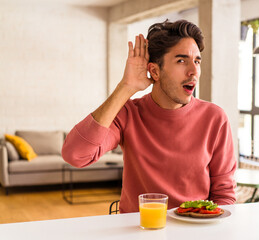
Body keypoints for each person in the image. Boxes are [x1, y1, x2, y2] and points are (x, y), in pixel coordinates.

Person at [62, 19, 237, 213]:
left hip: (194, 230)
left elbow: (224, 195)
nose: (193, 71)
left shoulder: (214, 118)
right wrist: (126, 88)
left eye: (197, 61)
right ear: (154, 71)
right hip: (138, 230)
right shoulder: (128, 114)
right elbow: (75, 155)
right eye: (181, 60)